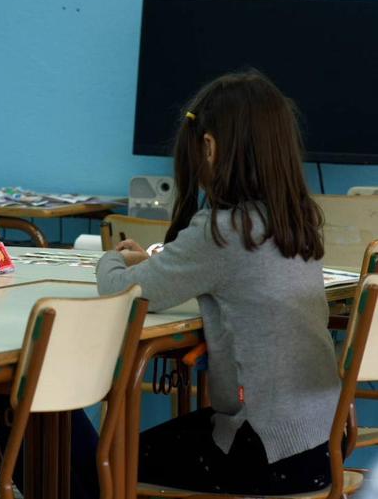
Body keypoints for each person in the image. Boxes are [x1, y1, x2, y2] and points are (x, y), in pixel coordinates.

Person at [96, 70, 339, 494]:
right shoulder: (295, 221)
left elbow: (125, 292)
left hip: (262, 452)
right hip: (319, 446)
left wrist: (110, 259)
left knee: (105, 459)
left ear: (209, 147)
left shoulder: (223, 230)